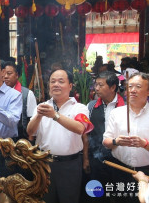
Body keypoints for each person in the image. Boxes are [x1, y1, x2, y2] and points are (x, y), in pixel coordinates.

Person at [27, 69, 93, 203]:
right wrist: (39, 116)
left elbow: (80, 128)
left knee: (69, 199)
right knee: (45, 199)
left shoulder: (80, 107)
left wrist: (55, 115)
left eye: (61, 81)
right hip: (44, 163)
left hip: (70, 164)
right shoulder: (42, 106)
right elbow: (30, 132)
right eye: (53, 81)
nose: (56, 84)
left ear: (70, 86)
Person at [103, 72, 149, 201]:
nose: (133, 90)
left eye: (138, 87)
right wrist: (116, 141)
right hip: (120, 169)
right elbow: (106, 141)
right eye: (130, 87)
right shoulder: (116, 113)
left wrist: (144, 143)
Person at [85, 71, 125, 202]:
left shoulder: (126, 106)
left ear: (113, 87)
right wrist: (86, 158)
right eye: (96, 85)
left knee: (117, 194)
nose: (96, 88)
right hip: (97, 159)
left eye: (100, 85)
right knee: (96, 194)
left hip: (120, 160)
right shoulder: (91, 106)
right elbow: (86, 134)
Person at [3, 61, 37, 141]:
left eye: (9, 73)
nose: (5, 76)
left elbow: (31, 119)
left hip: (20, 139)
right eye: (3, 73)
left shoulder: (27, 94)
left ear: (17, 75)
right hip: (1, 139)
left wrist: (30, 142)